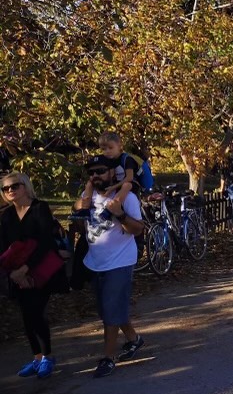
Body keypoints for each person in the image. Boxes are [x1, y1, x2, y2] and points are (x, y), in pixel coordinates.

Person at [72, 155, 146, 378]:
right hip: (95, 262)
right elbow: (78, 226)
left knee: (110, 310)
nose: (95, 176)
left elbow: (138, 229)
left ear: (113, 173)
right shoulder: (88, 197)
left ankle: (108, 357)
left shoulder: (127, 198)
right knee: (109, 308)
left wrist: (120, 214)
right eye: (91, 172)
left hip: (120, 261)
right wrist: (79, 210)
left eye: (101, 171)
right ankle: (134, 339)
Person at [0, 173, 69, 379]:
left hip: (41, 269)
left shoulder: (40, 208)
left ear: (25, 186)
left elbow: (45, 242)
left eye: (15, 186)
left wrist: (26, 268)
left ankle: (47, 356)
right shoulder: (6, 215)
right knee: (26, 315)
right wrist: (13, 272)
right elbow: (3, 247)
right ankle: (37, 357)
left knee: (36, 312)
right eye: (5, 188)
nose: (10, 191)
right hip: (16, 273)